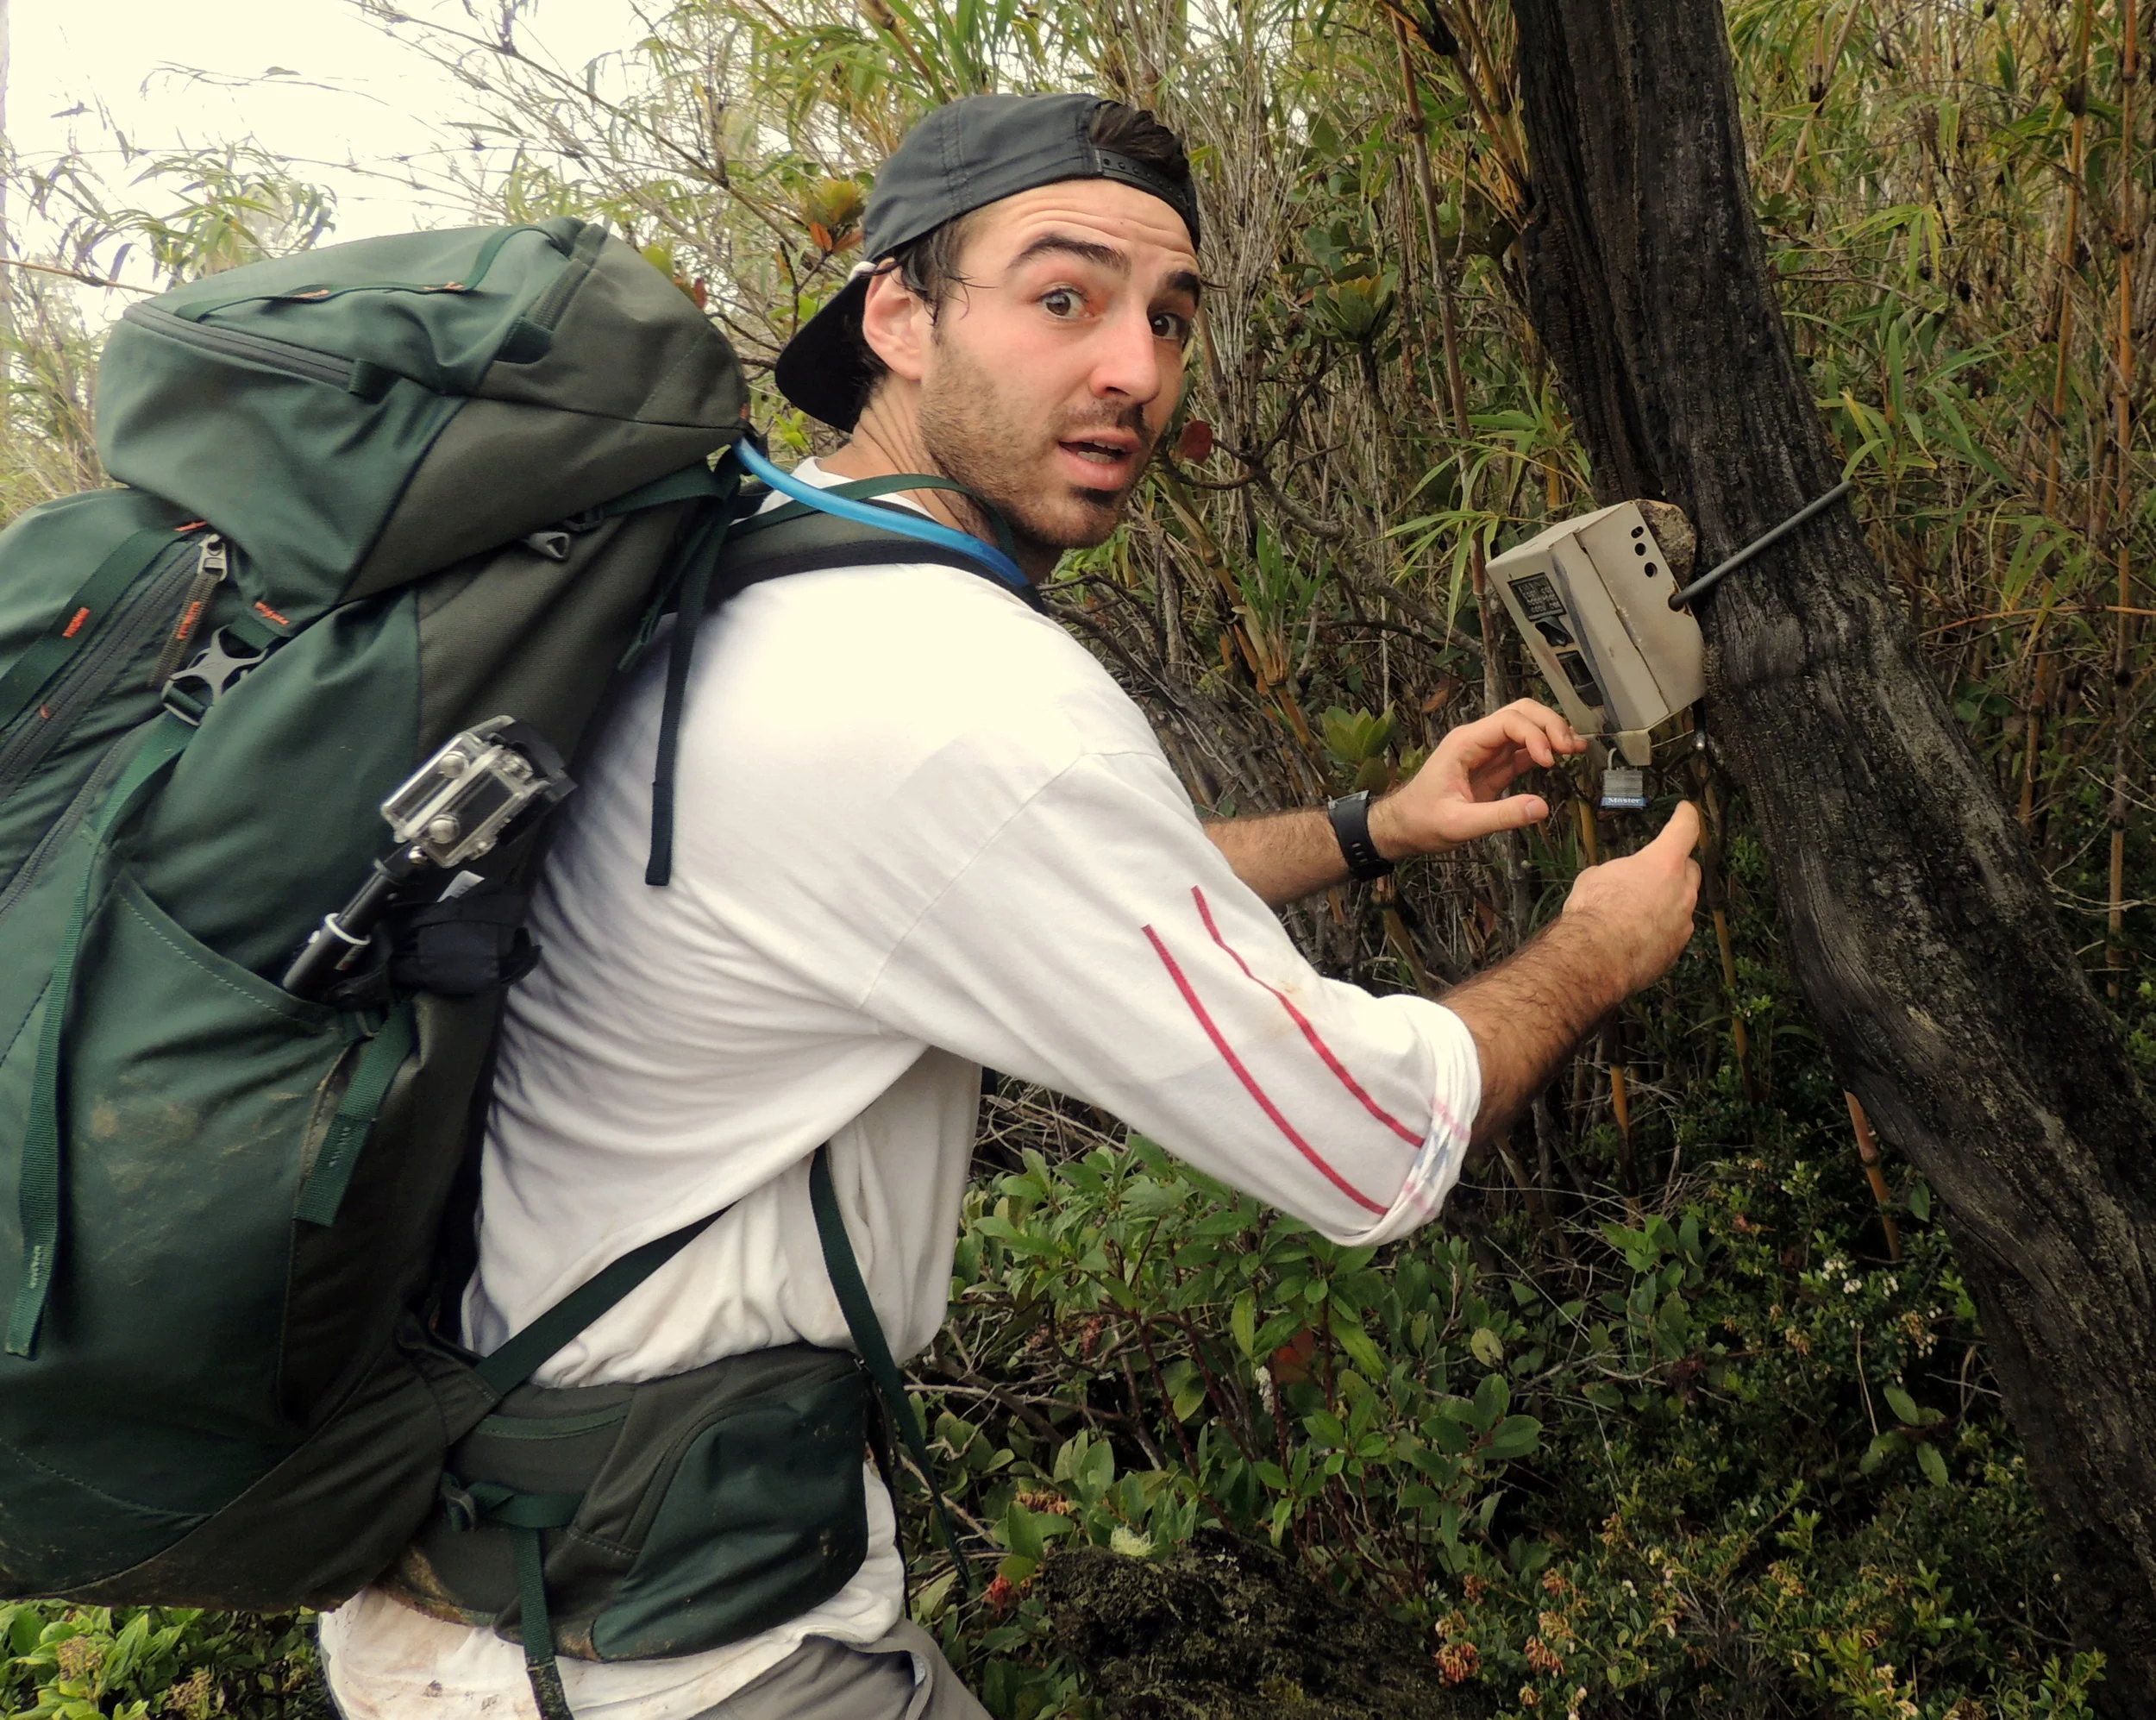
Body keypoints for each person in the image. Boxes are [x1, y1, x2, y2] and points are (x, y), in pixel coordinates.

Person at [319, 91, 1700, 1720]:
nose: (1137, 367)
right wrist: (1591, 952)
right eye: (1065, 298)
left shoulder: (739, 561)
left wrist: (1369, 826)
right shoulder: (953, 691)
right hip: (676, 1666)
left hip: (480, 1586)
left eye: (1169, 317)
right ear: (893, 312)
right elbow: (1359, 1137)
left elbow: (996, 896)